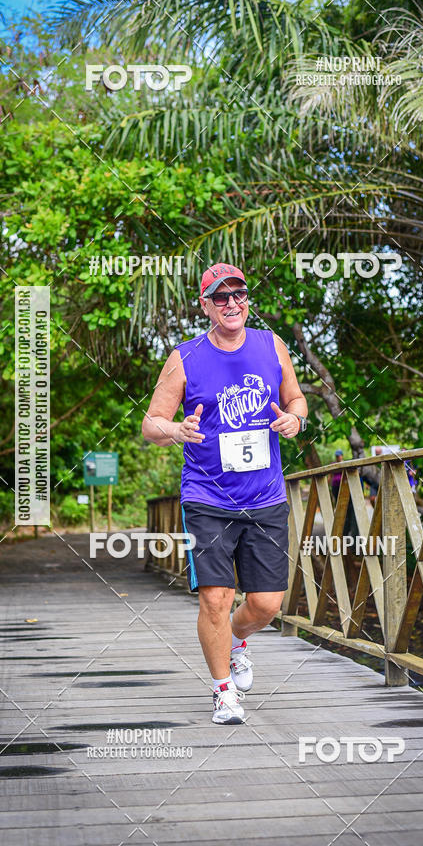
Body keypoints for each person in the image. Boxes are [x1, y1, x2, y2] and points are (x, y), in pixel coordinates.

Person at [141, 262, 308, 724]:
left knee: (266, 604)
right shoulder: (185, 357)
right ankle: (222, 691)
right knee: (216, 597)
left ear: (246, 300)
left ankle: (237, 642)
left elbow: (296, 400)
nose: (231, 303)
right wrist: (176, 430)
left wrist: (296, 419)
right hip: (207, 497)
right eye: (220, 297)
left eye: (238, 294)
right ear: (205, 307)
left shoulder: (271, 345)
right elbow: (150, 423)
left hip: (265, 497)